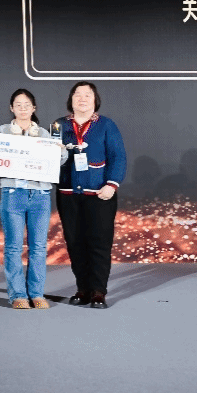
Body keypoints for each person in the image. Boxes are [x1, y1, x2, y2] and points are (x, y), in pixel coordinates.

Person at [0, 89, 68, 310]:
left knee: (38, 248)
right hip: (13, 195)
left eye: (27, 105)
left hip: (40, 195)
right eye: (18, 104)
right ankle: (18, 295)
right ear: (12, 108)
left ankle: (36, 294)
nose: (23, 108)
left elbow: (59, 161)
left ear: (34, 108)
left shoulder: (45, 134)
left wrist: (62, 151)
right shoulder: (1, 132)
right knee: (13, 247)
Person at [55, 81, 126, 309]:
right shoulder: (58, 125)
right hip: (68, 193)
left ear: (95, 100)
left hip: (99, 193)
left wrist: (112, 184)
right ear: (71, 99)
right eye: (77, 94)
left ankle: (98, 291)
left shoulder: (106, 125)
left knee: (99, 243)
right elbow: (47, 157)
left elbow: (118, 156)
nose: (82, 99)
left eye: (87, 95)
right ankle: (83, 289)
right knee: (75, 242)